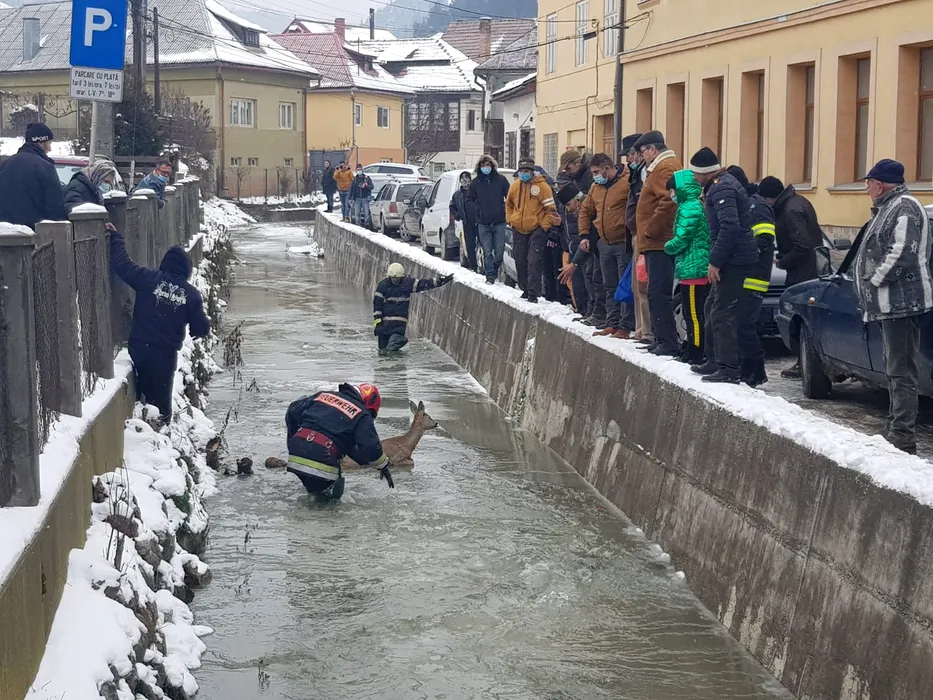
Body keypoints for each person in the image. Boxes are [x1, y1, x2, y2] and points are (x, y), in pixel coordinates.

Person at [854, 159, 933, 454]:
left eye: (868, 183)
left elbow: (902, 252)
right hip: (890, 305)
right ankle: (895, 427)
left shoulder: (904, 207)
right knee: (894, 368)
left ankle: (902, 434)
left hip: (901, 303)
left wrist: (875, 279)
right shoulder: (889, 207)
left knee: (901, 370)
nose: (866, 189)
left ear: (880, 184)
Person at [109, 230, 211, 421]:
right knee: (162, 400)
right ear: (187, 270)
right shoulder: (191, 295)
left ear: (165, 263)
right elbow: (201, 328)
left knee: (144, 387)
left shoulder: (148, 279)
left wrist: (117, 238)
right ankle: (159, 425)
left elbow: (123, 265)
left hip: (139, 348)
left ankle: (143, 415)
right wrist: (199, 328)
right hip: (165, 354)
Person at [688, 147, 759, 384]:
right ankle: (714, 360)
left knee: (721, 311)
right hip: (733, 256)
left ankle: (728, 368)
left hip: (735, 259)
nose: (694, 178)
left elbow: (730, 227)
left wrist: (715, 262)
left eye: (695, 173)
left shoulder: (722, 188)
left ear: (705, 171)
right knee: (711, 306)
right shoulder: (719, 185)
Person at [757, 175, 825, 379]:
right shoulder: (797, 202)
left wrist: (783, 261)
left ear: (770, 198)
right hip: (809, 269)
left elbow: (803, 245)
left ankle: (805, 364)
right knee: (804, 319)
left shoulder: (789, 211)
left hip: (802, 273)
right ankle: (805, 362)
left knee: (800, 318)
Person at [285, 383, 395, 500]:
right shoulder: (362, 414)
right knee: (330, 502)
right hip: (323, 462)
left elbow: (292, 409)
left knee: (313, 495)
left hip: (295, 456)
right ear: (370, 405)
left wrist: (293, 439)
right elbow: (371, 447)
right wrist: (383, 466)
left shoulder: (323, 396)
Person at [633, 130, 682, 356]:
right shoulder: (659, 167)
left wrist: (650, 229)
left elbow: (668, 201)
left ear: (653, 149)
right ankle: (661, 338)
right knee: (654, 292)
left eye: (643, 151)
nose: (641, 156)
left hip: (660, 241)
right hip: (655, 241)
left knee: (658, 292)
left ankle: (667, 341)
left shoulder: (665, 167)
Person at [574, 153, 634, 338]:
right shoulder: (596, 187)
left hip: (623, 242)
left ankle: (625, 325)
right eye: (593, 172)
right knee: (609, 285)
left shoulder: (627, 183)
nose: (594, 176)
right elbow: (586, 210)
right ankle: (612, 322)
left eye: (597, 172)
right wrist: (584, 235)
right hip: (604, 242)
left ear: (607, 169)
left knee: (624, 286)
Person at [727, 165, 775, 387]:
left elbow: (765, 238)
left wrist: (741, 253)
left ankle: (755, 371)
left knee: (744, 326)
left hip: (754, 276)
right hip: (741, 275)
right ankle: (746, 369)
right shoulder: (743, 203)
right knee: (738, 325)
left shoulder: (758, 206)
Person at [664, 170, 710, 365]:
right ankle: (695, 348)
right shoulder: (693, 205)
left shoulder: (689, 207)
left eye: (672, 190)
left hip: (693, 270)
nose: (671, 195)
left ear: (681, 189)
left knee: (693, 315)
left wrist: (667, 247)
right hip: (694, 267)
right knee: (695, 313)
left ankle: (696, 351)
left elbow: (682, 238)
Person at [506, 158, 560, 303]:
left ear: (532, 172)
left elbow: (551, 210)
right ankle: (524, 288)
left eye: (527, 171)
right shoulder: (515, 186)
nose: (524, 174)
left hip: (537, 230)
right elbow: (509, 205)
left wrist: (544, 227)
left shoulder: (543, 187)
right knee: (520, 260)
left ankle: (533, 293)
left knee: (534, 261)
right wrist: (511, 220)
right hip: (518, 229)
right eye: (522, 171)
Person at [374, 262, 453, 354]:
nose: (395, 280)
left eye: (397, 278)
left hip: (398, 325)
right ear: (389, 276)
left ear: (402, 277)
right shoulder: (383, 286)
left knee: (391, 348)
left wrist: (439, 281)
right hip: (385, 325)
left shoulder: (407, 284)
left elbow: (424, 284)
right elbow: (377, 307)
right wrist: (378, 323)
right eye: (393, 278)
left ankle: (397, 351)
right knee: (383, 352)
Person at [0, 122, 66, 229]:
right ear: (41, 142)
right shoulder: (44, 167)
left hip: (5, 232)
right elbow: (55, 205)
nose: (50, 149)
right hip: (34, 231)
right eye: (49, 143)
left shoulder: (4, 165)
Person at [623, 133, 652, 343]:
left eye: (631, 155)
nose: (629, 159)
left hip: (643, 235)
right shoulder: (636, 174)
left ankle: (647, 332)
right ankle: (640, 329)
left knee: (643, 285)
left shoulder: (647, 174)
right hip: (635, 234)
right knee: (636, 287)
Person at [467, 155, 511, 284]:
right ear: (479, 167)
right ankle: (490, 275)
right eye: (483, 165)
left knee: (499, 251)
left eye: (488, 165)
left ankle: (495, 267)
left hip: (499, 221)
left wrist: (504, 208)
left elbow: (510, 197)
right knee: (487, 251)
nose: (485, 168)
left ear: (492, 166)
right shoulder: (475, 183)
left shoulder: (501, 180)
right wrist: (478, 209)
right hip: (483, 222)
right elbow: (469, 200)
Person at [450, 171, 479, 271]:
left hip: (479, 222)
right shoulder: (457, 195)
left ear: (471, 181)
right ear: (460, 182)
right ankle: (474, 267)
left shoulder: (476, 192)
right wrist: (457, 215)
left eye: (467, 181)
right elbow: (452, 207)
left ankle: (483, 266)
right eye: (463, 181)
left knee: (482, 244)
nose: (466, 183)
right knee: (470, 246)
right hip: (467, 223)